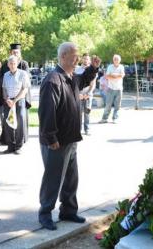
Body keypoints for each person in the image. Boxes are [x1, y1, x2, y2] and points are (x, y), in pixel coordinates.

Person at [38, 42, 100, 231]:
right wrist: (51, 138)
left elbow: (84, 80)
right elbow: (47, 112)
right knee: (53, 178)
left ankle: (68, 210)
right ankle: (45, 213)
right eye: (74, 55)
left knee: (71, 177)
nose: (77, 59)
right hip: (57, 141)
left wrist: (93, 68)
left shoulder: (70, 78)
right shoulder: (53, 80)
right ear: (64, 56)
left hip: (71, 139)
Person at [1, 55, 30, 154]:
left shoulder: (23, 74)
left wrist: (15, 100)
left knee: (20, 121)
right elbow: (4, 89)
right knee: (8, 122)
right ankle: (10, 146)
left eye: (14, 63)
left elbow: (25, 89)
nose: (12, 65)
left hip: (19, 100)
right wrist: (7, 99)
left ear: (17, 63)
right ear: (8, 64)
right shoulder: (5, 75)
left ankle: (18, 146)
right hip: (8, 101)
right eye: (11, 63)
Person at [99, 54, 125, 124]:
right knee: (108, 104)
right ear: (113, 60)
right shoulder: (110, 66)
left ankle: (115, 118)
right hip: (110, 88)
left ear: (120, 60)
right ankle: (104, 118)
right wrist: (116, 76)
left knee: (117, 105)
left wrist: (113, 75)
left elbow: (122, 75)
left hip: (119, 89)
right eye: (114, 59)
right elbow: (107, 76)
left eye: (117, 59)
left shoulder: (121, 67)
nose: (116, 60)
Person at [74, 53, 96, 136]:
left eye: (87, 59)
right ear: (82, 59)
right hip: (79, 95)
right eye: (84, 58)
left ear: (89, 60)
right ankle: (78, 130)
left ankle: (87, 129)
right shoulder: (77, 70)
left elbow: (93, 84)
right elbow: (75, 83)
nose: (86, 60)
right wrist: (78, 93)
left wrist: (88, 93)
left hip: (88, 95)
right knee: (78, 113)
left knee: (87, 112)